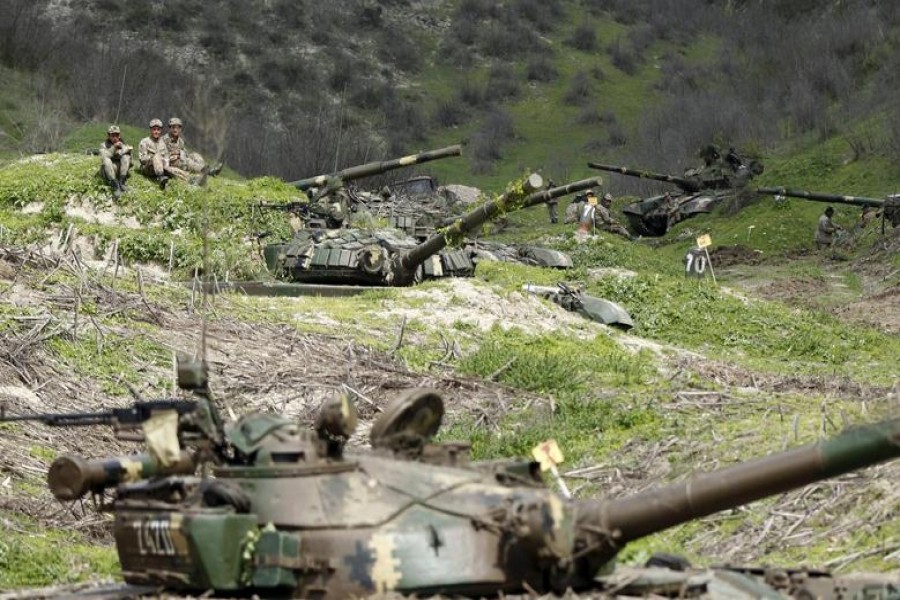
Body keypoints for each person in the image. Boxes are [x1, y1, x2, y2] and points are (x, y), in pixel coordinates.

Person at [138, 118, 176, 189]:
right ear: (151, 130)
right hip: (148, 168)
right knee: (156, 156)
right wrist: (153, 158)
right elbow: (142, 159)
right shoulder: (144, 142)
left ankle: (189, 178)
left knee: (173, 169)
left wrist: (165, 162)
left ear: (161, 131)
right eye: (154, 129)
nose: (156, 132)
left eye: (158, 130)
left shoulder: (163, 143)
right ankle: (161, 178)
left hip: (162, 167)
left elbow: (167, 157)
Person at [99, 125, 132, 199]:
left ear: (119, 136)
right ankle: (115, 186)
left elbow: (129, 161)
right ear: (109, 136)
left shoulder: (123, 144)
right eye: (112, 135)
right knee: (106, 160)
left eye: (117, 135)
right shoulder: (103, 145)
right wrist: (114, 147)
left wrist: (127, 152)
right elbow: (104, 156)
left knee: (126, 156)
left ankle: (122, 183)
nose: (115, 138)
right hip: (108, 170)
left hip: (119, 169)